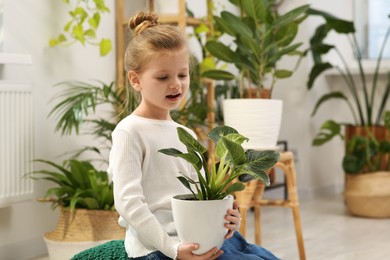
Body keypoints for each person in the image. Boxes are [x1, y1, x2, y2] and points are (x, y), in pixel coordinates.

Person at [108, 11, 279, 260]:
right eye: (163, 77)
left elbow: (199, 196)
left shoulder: (184, 134)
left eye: (183, 74)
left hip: (200, 239)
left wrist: (228, 218)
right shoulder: (129, 131)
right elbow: (129, 204)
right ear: (136, 80)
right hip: (158, 248)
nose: (176, 84)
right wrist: (173, 249)